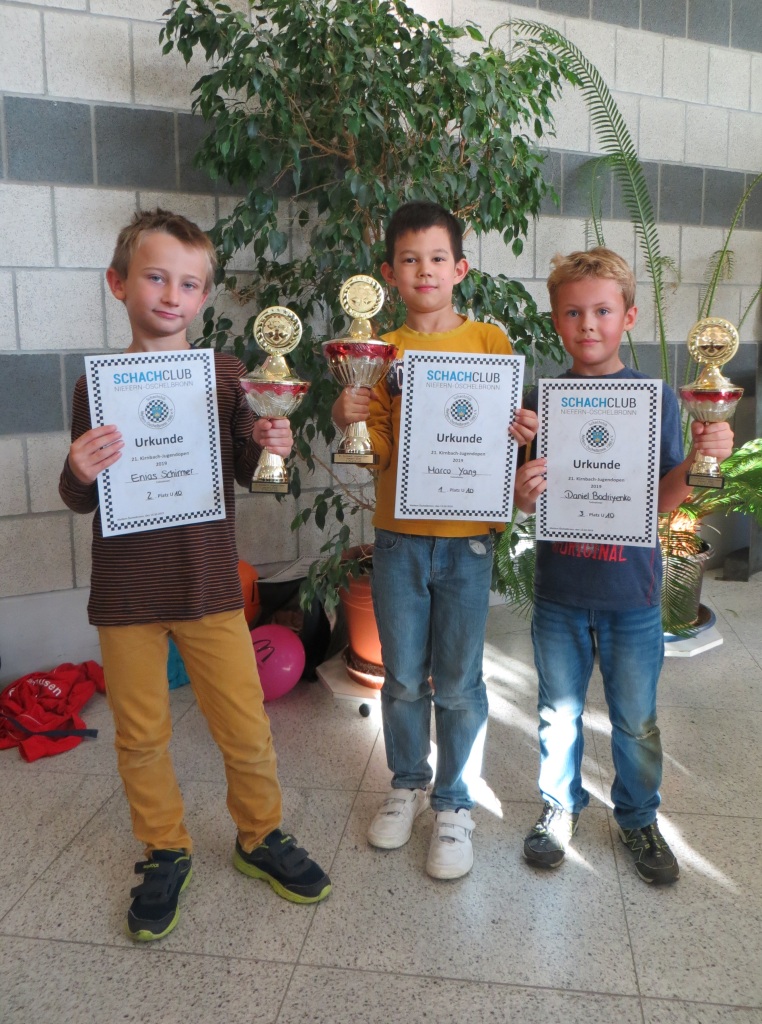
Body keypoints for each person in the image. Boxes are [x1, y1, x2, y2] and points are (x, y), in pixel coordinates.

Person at [59, 209, 331, 942]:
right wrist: (76, 470)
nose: (171, 295)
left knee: (245, 726)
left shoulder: (227, 374)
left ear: (204, 296)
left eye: (188, 283)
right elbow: (83, 497)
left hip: (208, 584)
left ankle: (260, 835)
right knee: (141, 736)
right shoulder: (96, 387)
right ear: (118, 283)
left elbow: (248, 468)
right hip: (127, 595)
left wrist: (272, 442)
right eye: (155, 277)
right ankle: (165, 848)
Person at [515, 247, 734, 884]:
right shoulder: (540, 400)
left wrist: (702, 461)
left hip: (632, 593)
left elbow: (664, 499)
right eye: (573, 312)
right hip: (559, 590)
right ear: (556, 320)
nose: (588, 324)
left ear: (629, 316)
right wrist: (522, 494)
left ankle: (638, 818)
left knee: (636, 721)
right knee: (558, 713)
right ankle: (560, 807)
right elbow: (523, 496)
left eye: (603, 311)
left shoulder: (654, 398)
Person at [332, 201, 537, 879]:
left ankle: (453, 803)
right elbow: (376, 450)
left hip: (468, 542)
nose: (425, 270)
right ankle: (407, 783)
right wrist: (349, 417)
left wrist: (521, 435)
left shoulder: (490, 343)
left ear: (461, 269)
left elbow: (506, 440)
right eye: (410, 259)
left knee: (457, 680)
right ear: (389, 272)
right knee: (400, 676)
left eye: (438, 258)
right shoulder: (379, 352)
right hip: (398, 539)